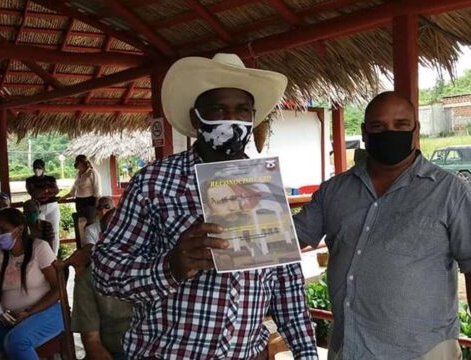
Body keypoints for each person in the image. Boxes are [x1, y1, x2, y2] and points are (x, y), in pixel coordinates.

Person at [92, 53, 318, 359]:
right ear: (196, 117)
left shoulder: (264, 187)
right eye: (218, 109)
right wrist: (171, 267)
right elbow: (105, 272)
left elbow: (286, 285)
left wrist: (307, 353)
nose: (231, 119)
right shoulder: (154, 182)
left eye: (242, 111)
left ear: (253, 118)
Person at [294, 91, 471, 360]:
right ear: (365, 132)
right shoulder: (334, 191)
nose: (389, 133)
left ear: (415, 129)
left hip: (422, 351)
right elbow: (288, 240)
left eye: (400, 125)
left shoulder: (449, 191)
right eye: (378, 126)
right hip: (349, 348)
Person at [0, 208, 63, 359]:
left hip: (47, 311)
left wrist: (29, 312)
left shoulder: (39, 248)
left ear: (20, 229)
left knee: (16, 341)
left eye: (3, 230)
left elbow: (58, 289)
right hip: (11, 318)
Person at [68, 200, 132, 360]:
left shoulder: (156, 270)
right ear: (103, 238)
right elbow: (91, 341)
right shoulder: (89, 280)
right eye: (114, 233)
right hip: (116, 353)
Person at [26, 159, 60, 254]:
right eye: (35, 168)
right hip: (38, 208)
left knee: (54, 232)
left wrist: (42, 193)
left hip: (52, 207)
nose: (37, 170)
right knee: (39, 233)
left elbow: (56, 190)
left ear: (44, 168)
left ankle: (54, 255)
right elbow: (34, 193)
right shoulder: (29, 180)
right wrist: (47, 191)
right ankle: (43, 255)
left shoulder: (51, 178)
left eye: (39, 168)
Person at [60, 155, 101, 224]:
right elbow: (73, 191)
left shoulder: (92, 172)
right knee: (80, 223)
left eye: (77, 162)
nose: (76, 164)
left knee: (90, 222)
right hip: (79, 202)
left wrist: (96, 203)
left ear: (83, 163)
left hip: (90, 202)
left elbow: (97, 188)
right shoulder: (78, 174)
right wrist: (63, 197)